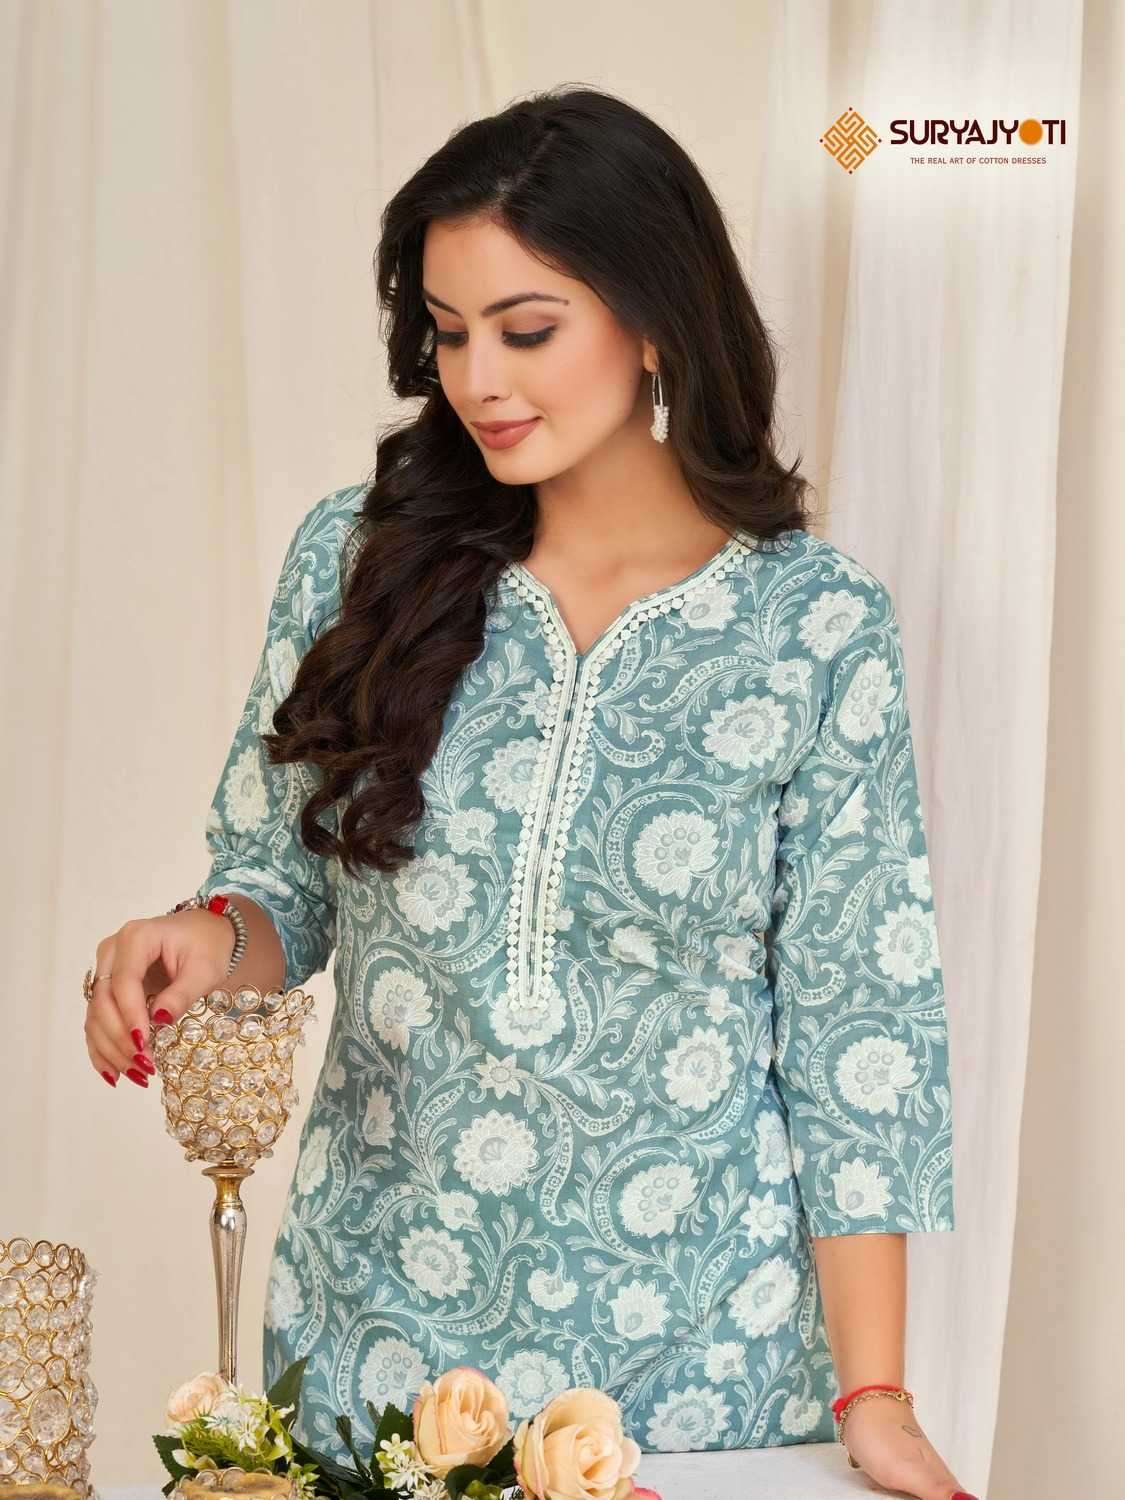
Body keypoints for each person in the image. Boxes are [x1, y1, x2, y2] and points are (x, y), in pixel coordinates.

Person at [84, 85, 976, 1500]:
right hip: (380, 1361)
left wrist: (874, 1395)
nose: (478, 380)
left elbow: (856, 1023)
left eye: (527, 329)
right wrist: (206, 938)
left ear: (654, 320)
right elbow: (279, 881)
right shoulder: (361, 562)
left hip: (703, 1383)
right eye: (448, 333)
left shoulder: (811, 626)